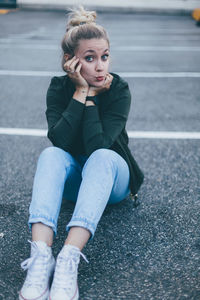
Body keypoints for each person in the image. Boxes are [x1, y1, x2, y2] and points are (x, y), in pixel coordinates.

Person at [19, 6, 144, 300]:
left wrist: (90, 101)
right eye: (90, 58)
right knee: (50, 155)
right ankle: (41, 257)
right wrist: (80, 92)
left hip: (113, 179)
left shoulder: (119, 89)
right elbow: (59, 141)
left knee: (100, 156)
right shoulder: (58, 88)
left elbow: (99, 145)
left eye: (104, 56)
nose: (101, 67)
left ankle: (68, 257)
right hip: (78, 178)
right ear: (70, 61)